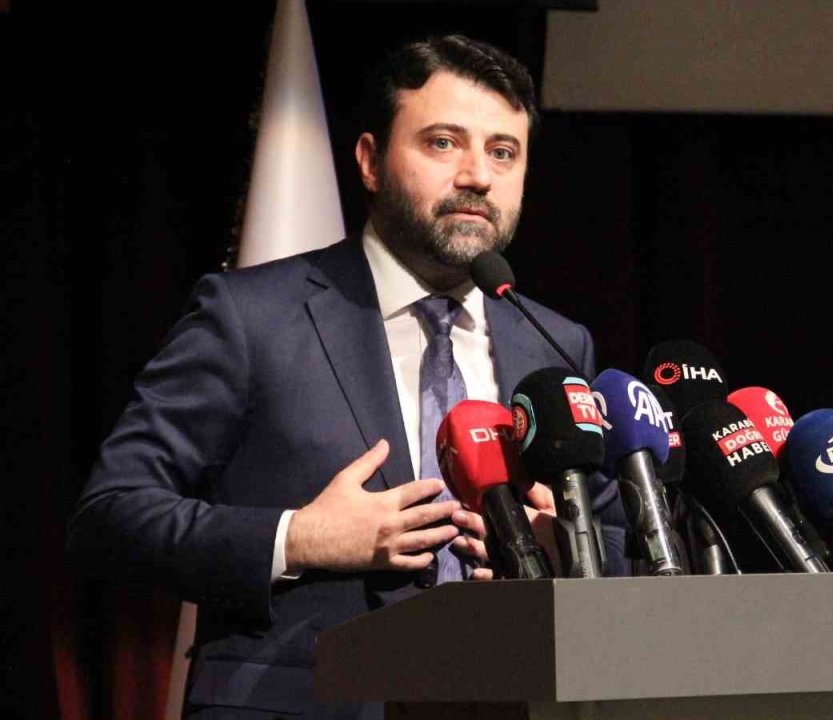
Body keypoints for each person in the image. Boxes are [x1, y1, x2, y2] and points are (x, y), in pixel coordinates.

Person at [67, 34, 624, 719]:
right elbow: (110, 517)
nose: (478, 175)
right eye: (443, 142)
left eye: (503, 152)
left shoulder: (553, 343)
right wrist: (300, 538)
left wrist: (564, 548)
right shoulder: (252, 317)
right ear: (369, 160)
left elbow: (616, 541)